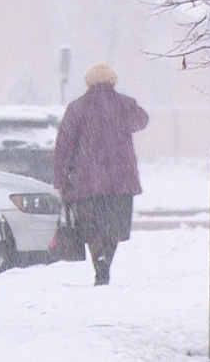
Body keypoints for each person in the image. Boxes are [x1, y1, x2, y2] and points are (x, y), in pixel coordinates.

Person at [53, 62, 149, 286]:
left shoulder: (77, 108)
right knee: (114, 227)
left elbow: (63, 146)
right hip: (120, 181)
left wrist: (60, 179)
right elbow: (142, 120)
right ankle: (107, 258)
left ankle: (99, 262)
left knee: (92, 228)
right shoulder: (124, 105)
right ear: (112, 81)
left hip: (87, 183)